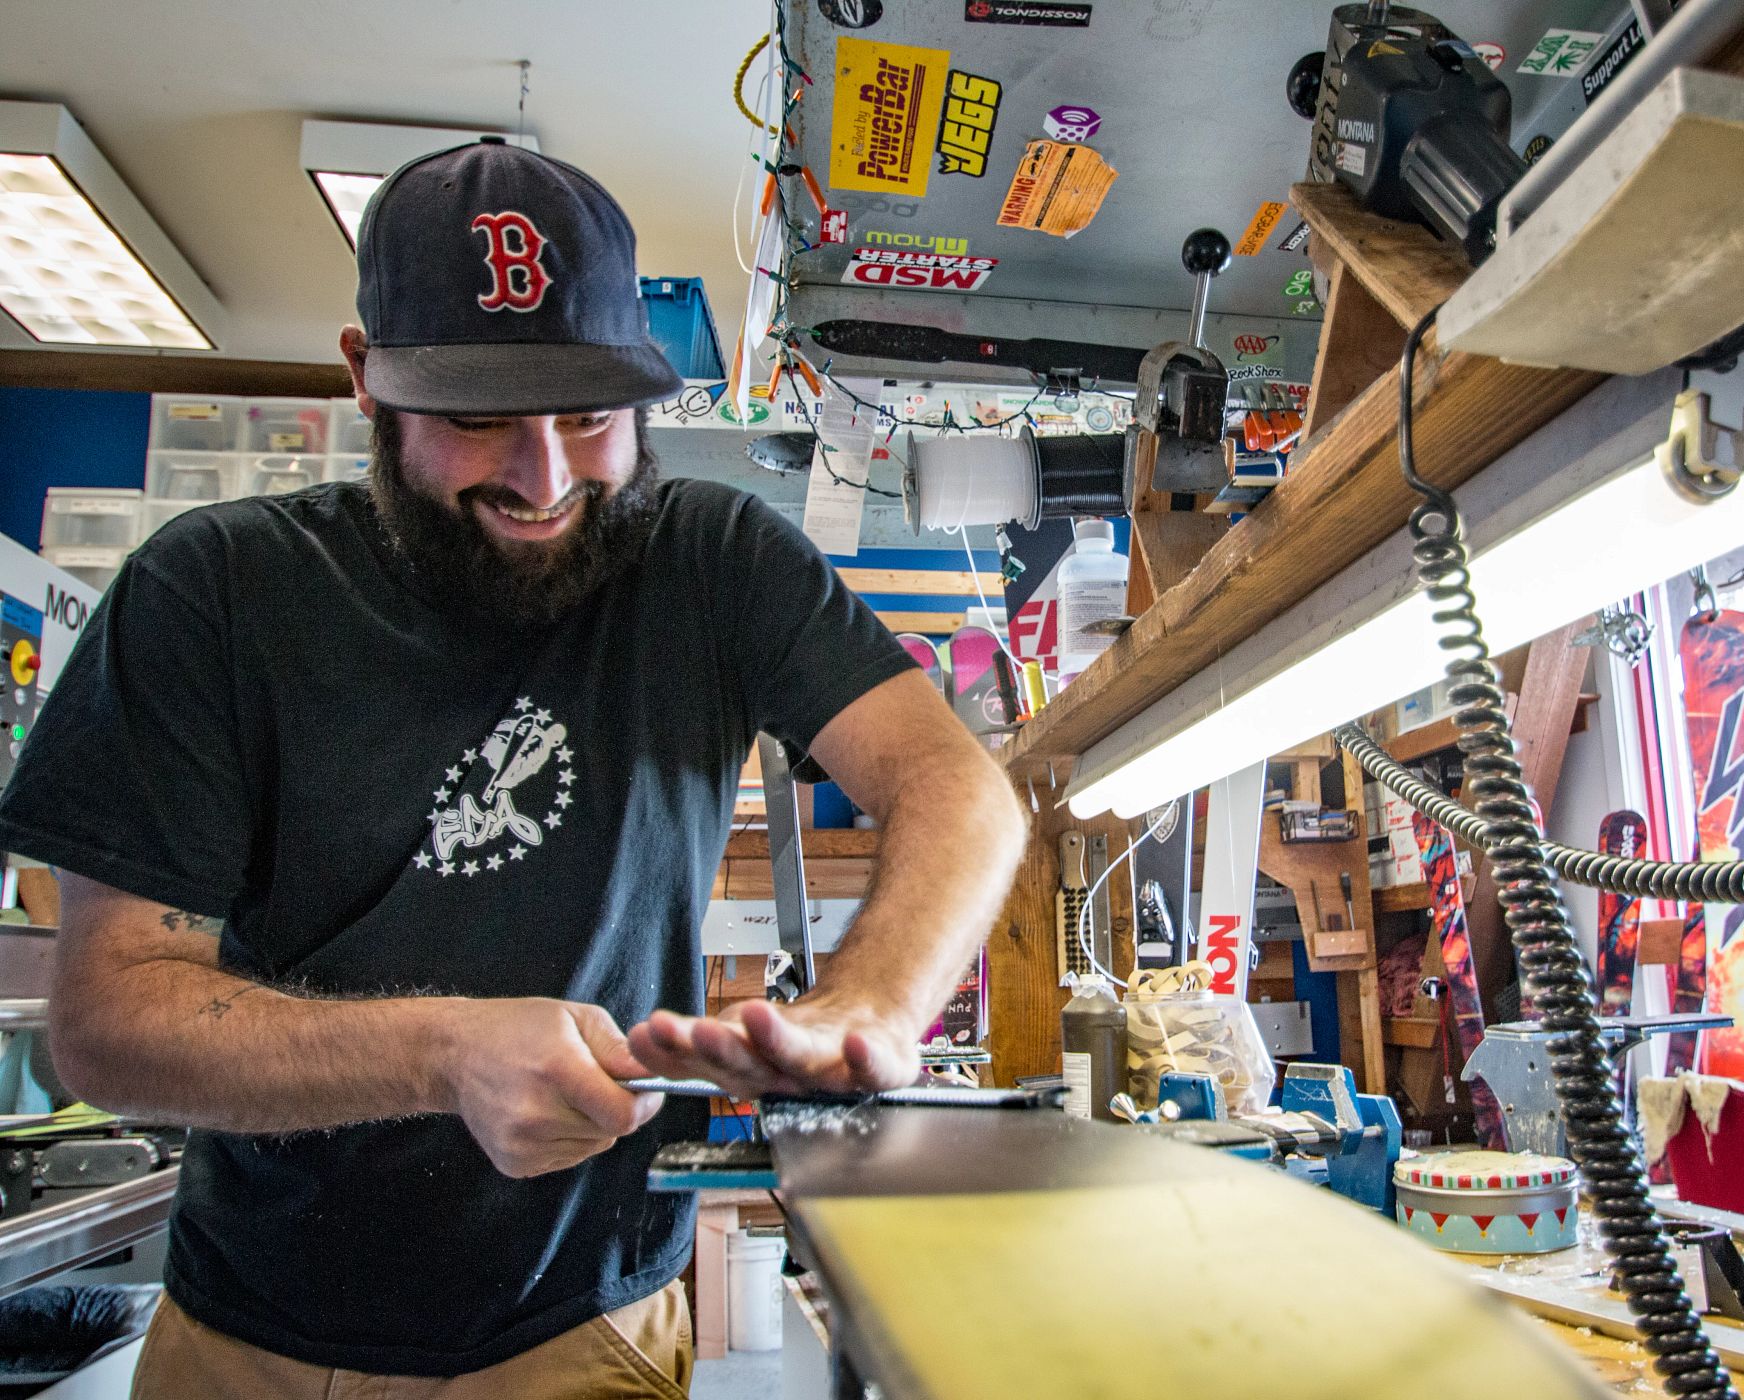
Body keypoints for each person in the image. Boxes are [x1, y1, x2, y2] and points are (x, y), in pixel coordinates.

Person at [0, 138, 1027, 1396]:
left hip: (574, 1333)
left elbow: (958, 785)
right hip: (248, 1338)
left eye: (591, 419)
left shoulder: (709, 562)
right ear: (366, 378)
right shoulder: (210, 591)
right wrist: (440, 1051)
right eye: (480, 419)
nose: (545, 479)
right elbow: (106, 1023)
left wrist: (872, 1000)